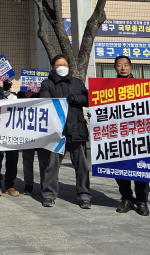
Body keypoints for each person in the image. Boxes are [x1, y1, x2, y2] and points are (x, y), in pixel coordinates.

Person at [38, 54, 91, 209]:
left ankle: (84, 195)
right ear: (53, 67)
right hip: (57, 131)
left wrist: (75, 98)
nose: (62, 67)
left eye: (65, 65)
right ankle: (49, 195)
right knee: (52, 165)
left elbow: (89, 98)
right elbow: (46, 102)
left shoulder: (77, 82)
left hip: (77, 129)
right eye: (59, 64)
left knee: (82, 166)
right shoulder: (47, 84)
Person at [112, 55, 150, 217]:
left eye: (125, 65)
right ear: (115, 68)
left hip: (139, 134)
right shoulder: (107, 87)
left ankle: (141, 201)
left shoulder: (142, 86)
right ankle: (126, 199)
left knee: (141, 167)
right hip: (117, 133)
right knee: (119, 168)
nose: (123, 68)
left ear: (131, 67)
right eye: (119, 65)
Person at [0, 79, 20, 197]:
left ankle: (9, 185)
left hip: (12, 131)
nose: (2, 81)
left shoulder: (13, 96)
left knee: (13, 158)